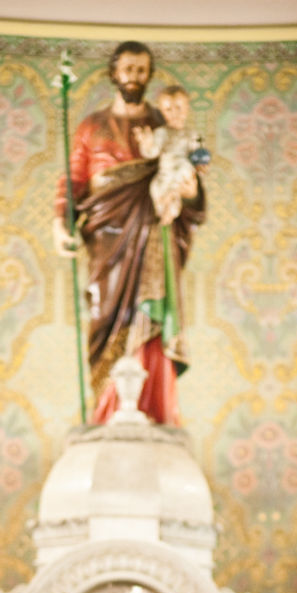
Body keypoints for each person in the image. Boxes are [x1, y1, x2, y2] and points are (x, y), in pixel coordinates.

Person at [53, 41, 206, 426]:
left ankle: (153, 407)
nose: (134, 77)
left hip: (154, 232)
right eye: (127, 69)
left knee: (150, 313)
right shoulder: (92, 126)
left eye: (141, 70)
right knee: (106, 318)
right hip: (107, 237)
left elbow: (190, 178)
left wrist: (191, 192)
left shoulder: (164, 122)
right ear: (114, 73)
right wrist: (61, 221)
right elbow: (73, 180)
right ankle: (107, 408)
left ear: (149, 75)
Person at [134, 84, 206, 227]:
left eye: (178, 108)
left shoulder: (191, 134)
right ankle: (162, 210)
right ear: (162, 112)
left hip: (182, 167)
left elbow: (199, 154)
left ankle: (172, 202)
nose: (174, 113)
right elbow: (152, 153)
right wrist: (147, 143)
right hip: (166, 169)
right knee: (155, 187)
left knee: (182, 178)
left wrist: (201, 166)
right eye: (168, 109)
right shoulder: (161, 133)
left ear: (187, 108)